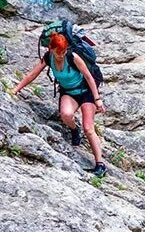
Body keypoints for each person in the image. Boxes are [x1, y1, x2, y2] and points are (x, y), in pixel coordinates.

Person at [11, 27, 107, 177]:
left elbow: (89, 77)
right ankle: (74, 130)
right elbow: (33, 74)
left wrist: (97, 99)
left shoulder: (73, 57)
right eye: (58, 52)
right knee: (66, 115)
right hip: (69, 92)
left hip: (86, 92)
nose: (61, 55)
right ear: (51, 49)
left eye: (63, 51)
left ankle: (100, 165)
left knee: (89, 128)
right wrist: (15, 89)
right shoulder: (48, 57)